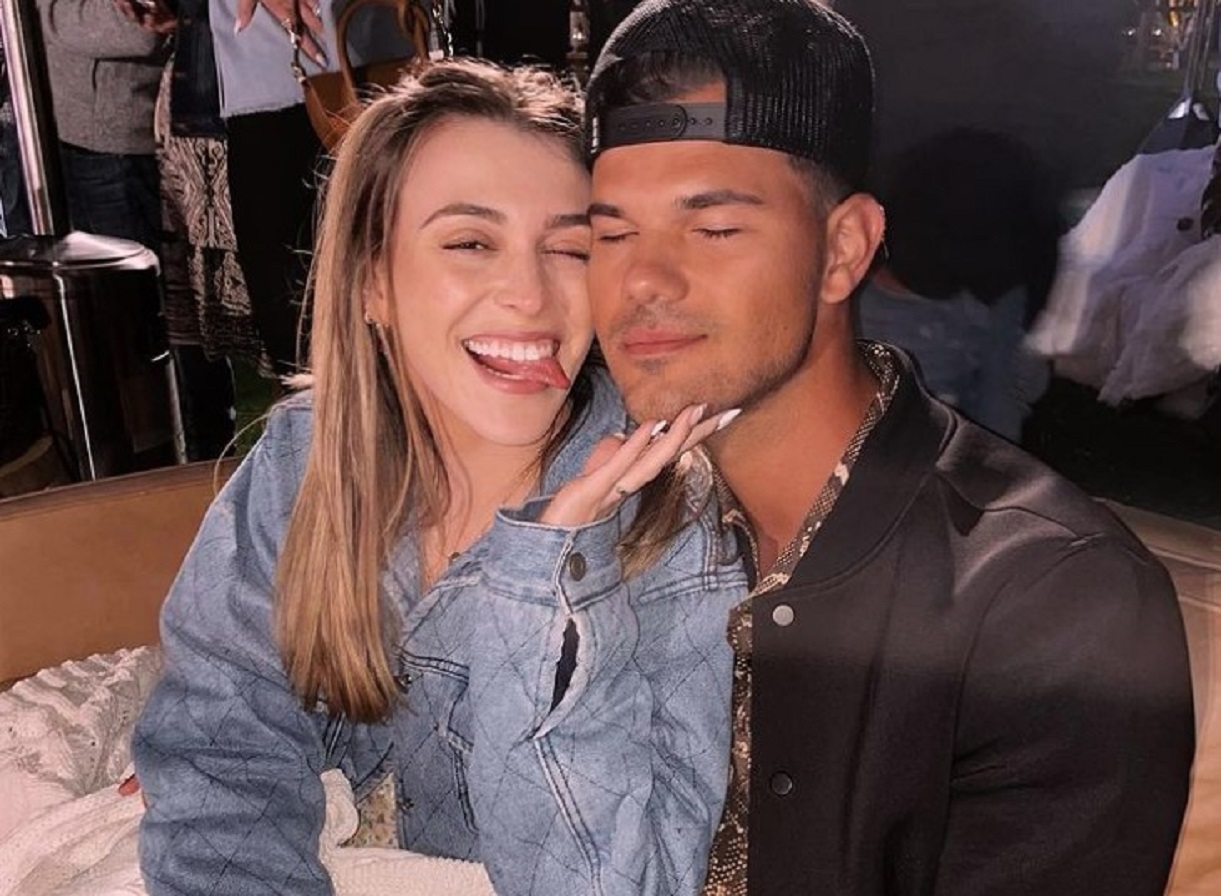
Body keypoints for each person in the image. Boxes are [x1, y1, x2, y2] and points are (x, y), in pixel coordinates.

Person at [583, 2, 1196, 894]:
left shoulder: (1052, 606)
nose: (640, 279)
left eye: (712, 229)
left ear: (844, 249)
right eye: (608, 235)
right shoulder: (598, 521)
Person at [131, 58, 747, 896]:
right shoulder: (306, 459)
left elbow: (612, 883)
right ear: (372, 283)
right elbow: (223, 750)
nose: (529, 295)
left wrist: (549, 574)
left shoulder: (667, 525)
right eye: (470, 243)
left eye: (569, 249)